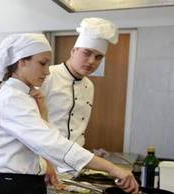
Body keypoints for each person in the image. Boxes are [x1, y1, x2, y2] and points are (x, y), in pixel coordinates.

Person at [0, 33, 138, 194]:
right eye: (42, 63)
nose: (47, 71)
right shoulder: (11, 99)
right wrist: (112, 169)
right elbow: (52, 143)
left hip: (27, 189)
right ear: (21, 61)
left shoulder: (25, 96)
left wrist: (43, 115)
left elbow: (39, 141)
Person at [41, 17, 119, 147]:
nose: (91, 61)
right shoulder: (48, 76)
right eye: (87, 53)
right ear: (73, 51)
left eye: (98, 57)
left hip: (74, 156)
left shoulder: (89, 86)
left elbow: (79, 127)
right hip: (46, 156)